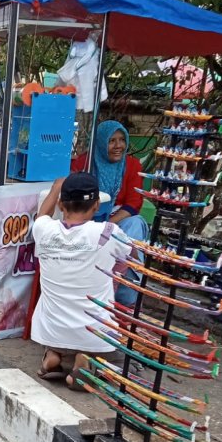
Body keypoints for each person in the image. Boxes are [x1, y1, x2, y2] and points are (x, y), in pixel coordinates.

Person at [31, 172, 131, 390]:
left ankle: (52, 356)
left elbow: (41, 216)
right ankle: (84, 357)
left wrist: (56, 187)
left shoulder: (43, 230)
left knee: (57, 300)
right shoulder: (108, 232)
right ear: (96, 206)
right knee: (101, 295)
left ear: (60, 204)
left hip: (51, 329)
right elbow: (127, 259)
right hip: (95, 332)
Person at [71, 119, 148, 306]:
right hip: (87, 218)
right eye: (111, 140)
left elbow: (134, 202)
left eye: (122, 140)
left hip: (118, 218)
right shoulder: (85, 162)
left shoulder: (132, 165)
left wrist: (109, 223)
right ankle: (98, 287)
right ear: (101, 141)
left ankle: (126, 287)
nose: (118, 146)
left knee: (135, 224)